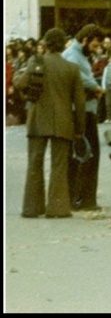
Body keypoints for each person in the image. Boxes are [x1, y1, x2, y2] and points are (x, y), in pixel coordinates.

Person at [15, 28, 86, 218]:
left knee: (34, 163)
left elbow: (20, 84)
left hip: (38, 120)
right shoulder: (71, 69)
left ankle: (32, 207)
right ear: (64, 45)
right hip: (63, 122)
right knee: (59, 165)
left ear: (45, 44)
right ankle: (58, 208)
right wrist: (80, 128)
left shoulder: (36, 62)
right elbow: (79, 103)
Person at [62, 23, 105, 211]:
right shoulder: (72, 54)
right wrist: (94, 86)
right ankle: (81, 198)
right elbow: (75, 75)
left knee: (87, 154)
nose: (96, 49)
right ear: (85, 39)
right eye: (94, 45)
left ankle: (85, 198)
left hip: (86, 110)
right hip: (79, 112)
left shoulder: (80, 55)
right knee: (86, 154)